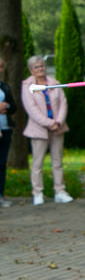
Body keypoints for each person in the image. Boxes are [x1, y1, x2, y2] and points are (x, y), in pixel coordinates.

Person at [21, 56, 73, 206]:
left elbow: (63, 103)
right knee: (38, 163)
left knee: (57, 161)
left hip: (58, 128)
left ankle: (60, 191)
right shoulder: (27, 85)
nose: (40, 69)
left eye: (42, 66)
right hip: (38, 130)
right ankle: (37, 193)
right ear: (31, 70)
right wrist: (48, 123)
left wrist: (58, 122)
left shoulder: (54, 83)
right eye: (37, 67)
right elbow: (31, 109)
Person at [0, 57, 18, 207]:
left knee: (1, 163)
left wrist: (7, 106)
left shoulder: (4, 87)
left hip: (5, 129)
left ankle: (1, 195)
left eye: (0, 67)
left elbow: (14, 107)